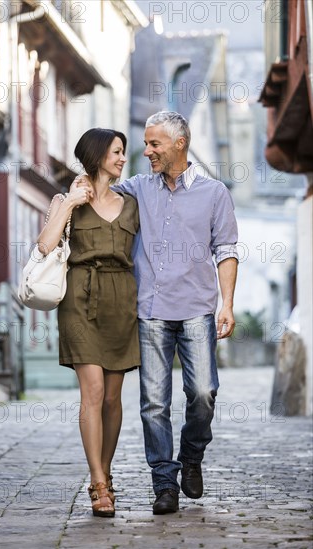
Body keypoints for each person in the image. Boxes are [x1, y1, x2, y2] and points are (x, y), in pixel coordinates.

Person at [77, 111, 239, 514]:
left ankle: (192, 456)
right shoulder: (137, 189)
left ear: (179, 144)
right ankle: (164, 484)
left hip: (197, 310)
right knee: (153, 403)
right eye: (145, 144)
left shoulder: (214, 192)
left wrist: (228, 304)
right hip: (149, 311)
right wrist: (79, 184)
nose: (145, 151)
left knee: (203, 392)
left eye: (154, 144)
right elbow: (102, 187)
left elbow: (227, 250)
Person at [37, 128, 140, 518]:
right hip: (80, 299)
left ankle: (106, 471)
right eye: (117, 152)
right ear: (98, 156)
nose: (122, 158)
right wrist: (69, 203)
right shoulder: (68, 200)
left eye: (123, 152)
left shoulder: (131, 204)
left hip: (121, 301)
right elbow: (45, 245)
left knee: (113, 399)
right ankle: (98, 483)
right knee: (93, 392)